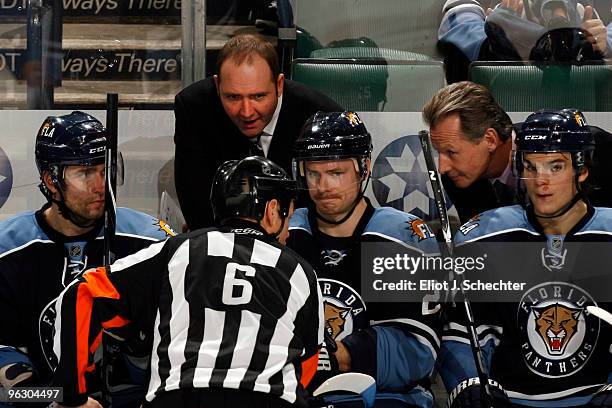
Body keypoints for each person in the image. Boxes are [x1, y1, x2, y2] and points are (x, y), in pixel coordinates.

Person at [52, 156, 324, 408]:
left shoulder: (177, 250)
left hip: (179, 398)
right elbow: (307, 368)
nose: (288, 230)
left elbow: (82, 294)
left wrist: (71, 395)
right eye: (288, 214)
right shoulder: (300, 270)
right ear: (272, 210)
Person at [439, 109, 612, 407]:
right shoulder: (484, 237)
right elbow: (462, 332)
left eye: (555, 167)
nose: (541, 182)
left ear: (582, 170)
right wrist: (468, 382)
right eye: (531, 167)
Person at [0, 111, 175, 407]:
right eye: (84, 173)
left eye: (103, 169)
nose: (99, 185)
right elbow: (6, 376)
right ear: (50, 180)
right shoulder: (8, 248)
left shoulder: (152, 241)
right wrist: (56, 401)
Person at [288, 111, 443, 407]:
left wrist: (341, 357)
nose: (323, 187)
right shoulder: (289, 233)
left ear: (364, 168)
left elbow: (420, 348)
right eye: (313, 173)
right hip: (298, 394)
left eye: (336, 173)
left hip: (384, 396)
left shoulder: (400, 236)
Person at [174, 33, 343, 231]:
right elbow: (195, 199)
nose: (246, 112)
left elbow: (327, 204)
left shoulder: (320, 115)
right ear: (217, 86)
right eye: (233, 97)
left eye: (258, 96)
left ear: (279, 85)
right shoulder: (194, 107)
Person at [422, 81, 612, 223]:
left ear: (490, 139)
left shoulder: (598, 150)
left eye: (452, 153)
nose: (443, 167)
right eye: (440, 153)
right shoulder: (458, 178)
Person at [438, 0, 612, 82]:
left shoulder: (583, 17)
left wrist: (602, 47)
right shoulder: (489, 10)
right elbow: (460, 26)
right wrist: (494, 40)